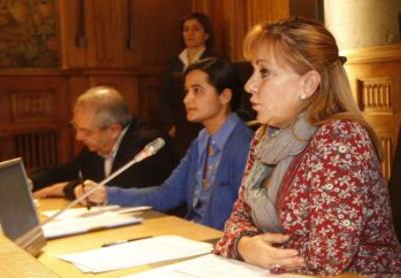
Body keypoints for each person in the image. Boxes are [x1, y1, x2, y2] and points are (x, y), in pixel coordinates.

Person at [214, 17, 401, 276]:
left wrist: (253, 250)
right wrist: (245, 245)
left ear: (308, 84)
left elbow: (329, 257)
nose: (249, 85)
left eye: (264, 72)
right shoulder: (265, 136)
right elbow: (237, 218)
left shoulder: (341, 139)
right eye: (253, 71)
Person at [76, 58, 253, 230]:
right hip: (196, 236)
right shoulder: (202, 140)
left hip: (224, 245)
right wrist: (107, 194)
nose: (186, 99)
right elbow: (168, 193)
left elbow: (247, 216)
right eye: (187, 91)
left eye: (197, 91)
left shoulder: (245, 144)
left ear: (225, 96)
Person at [31, 86, 178, 200]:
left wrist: (62, 189)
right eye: (76, 127)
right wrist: (29, 182)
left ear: (114, 129)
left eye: (86, 131)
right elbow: (68, 171)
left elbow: (112, 190)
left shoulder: (148, 144)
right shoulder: (99, 142)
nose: (78, 137)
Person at [160, 12, 217, 157]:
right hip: (180, 126)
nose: (189, 33)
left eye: (196, 29)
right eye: (186, 29)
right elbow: (164, 96)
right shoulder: (174, 62)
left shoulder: (215, 61)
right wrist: (171, 124)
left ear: (206, 34)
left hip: (204, 122)